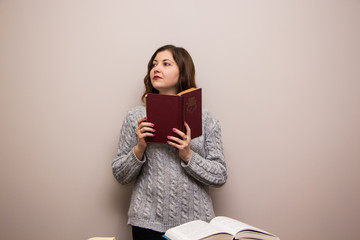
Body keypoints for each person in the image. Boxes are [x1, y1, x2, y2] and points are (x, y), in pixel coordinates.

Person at [112, 45, 227, 240]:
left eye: (166, 64)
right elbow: (120, 175)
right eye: (154, 64)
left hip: (197, 226)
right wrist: (139, 148)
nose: (156, 69)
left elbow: (220, 175)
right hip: (146, 223)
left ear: (182, 72)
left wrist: (188, 156)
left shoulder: (206, 119)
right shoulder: (136, 116)